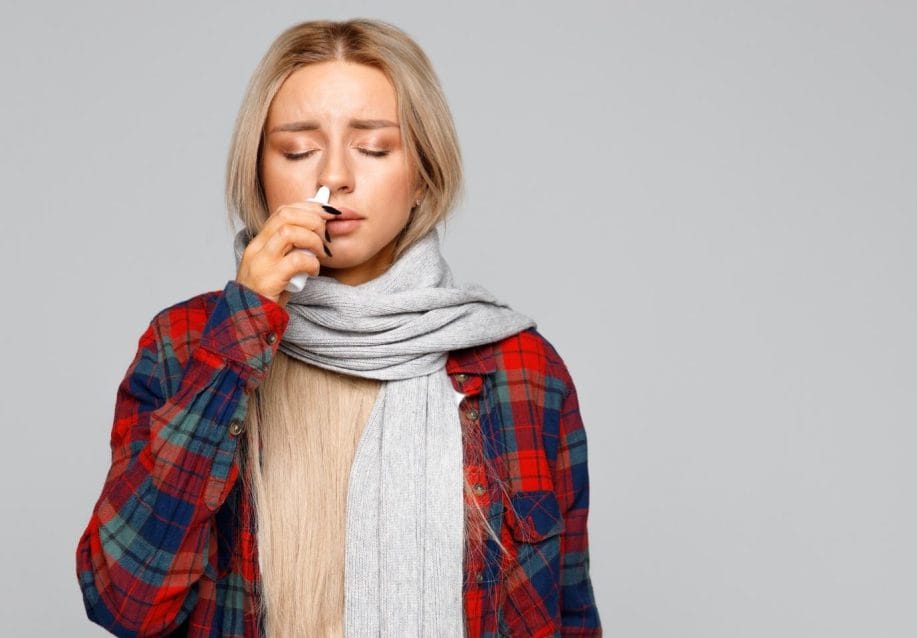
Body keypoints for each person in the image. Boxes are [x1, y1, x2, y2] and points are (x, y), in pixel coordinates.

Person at [75, 18, 601, 638]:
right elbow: (125, 602)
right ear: (260, 173)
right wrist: (243, 329)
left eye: (374, 147)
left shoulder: (522, 370)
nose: (336, 176)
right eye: (297, 151)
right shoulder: (187, 344)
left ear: (424, 172)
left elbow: (571, 616)